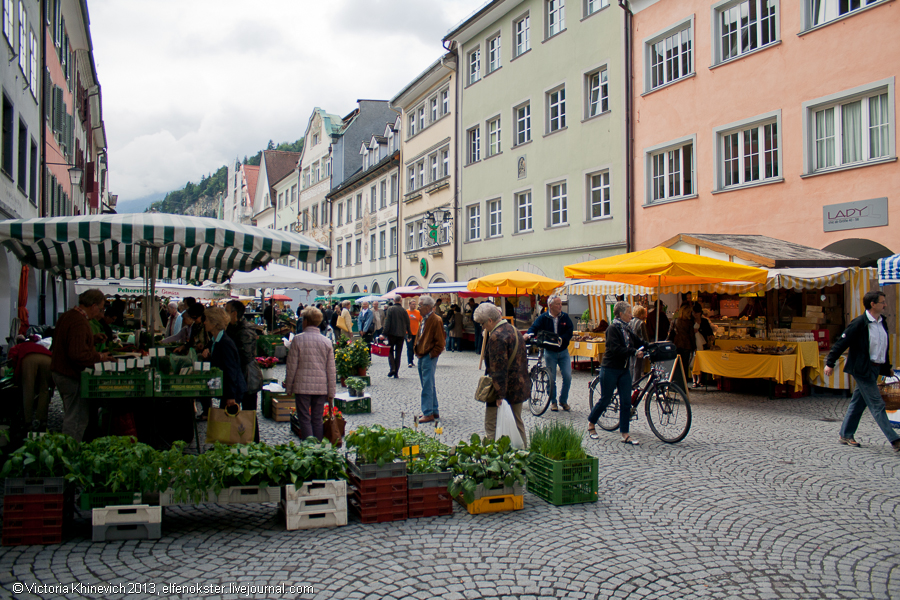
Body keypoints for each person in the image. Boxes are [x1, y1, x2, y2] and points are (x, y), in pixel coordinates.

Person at [824, 290, 897, 451]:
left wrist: (887, 368)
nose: (885, 305)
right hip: (862, 368)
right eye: (882, 302)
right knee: (877, 404)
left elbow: (883, 347)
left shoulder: (882, 322)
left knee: (858, 403)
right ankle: (895, 440)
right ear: (873, 304)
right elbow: (841, 343)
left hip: (875, 368)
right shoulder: (859, 323)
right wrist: (830, 363)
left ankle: (846, 434)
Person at [51, 289, 111, 441]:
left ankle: (69, 449)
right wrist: (100, 356)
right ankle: (70, 453)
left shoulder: (68, 315)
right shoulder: (79, 321)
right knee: (76, 418)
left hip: (60, 372)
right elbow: (77, 354)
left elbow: (72, 341)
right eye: (101, 308)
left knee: (72, 414)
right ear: (93, 306)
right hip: (70, 374)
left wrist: (92, 338)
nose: (100, 312)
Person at [587, 301, 645, 445]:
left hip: (624, 369)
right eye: (629, 313)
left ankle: (625, 433)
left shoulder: (628, 328)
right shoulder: (613, 329)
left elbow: (638, 342)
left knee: (626, 402)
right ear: (621, 314)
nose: (631, 316)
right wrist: (634, 352)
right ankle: (591, 423)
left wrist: (652, 347)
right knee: (606, 399)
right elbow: (615, 349)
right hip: (610, 368)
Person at [474, 302, 530, 445]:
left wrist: (500, 396)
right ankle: (523, 454)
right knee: (517, 423)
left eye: (483, 323)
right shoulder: (515, 330)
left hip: (502, 389)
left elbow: (498, 369)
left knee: (491, 425)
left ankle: (490, 459)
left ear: (490, 321)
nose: (482, 327)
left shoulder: (496, 337)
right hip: (519, 386)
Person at [284, 306, 336, 441]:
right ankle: (318, 449)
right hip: (320, 388)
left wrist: (289, 387)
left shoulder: (298, 339)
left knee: (304, 418)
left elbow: (291, 366)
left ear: (306, 321)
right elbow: (331, 370)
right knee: (317, 419)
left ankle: (308, 446)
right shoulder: (326, 342)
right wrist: (331, 394)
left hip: (302, 387)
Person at [525, 294, 574, 412]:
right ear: (550, 306)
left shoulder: (565, 317)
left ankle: (563, 400)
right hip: (550, 352)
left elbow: (570, 330)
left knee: (567, 376)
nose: (560, 306)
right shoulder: (543, 318)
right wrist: (528, 334)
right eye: (558, 304)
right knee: (551, 378)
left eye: (561, 304)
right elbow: (534, 328)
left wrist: (562, 338)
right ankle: (553, 401)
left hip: (563, 351)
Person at [225, 300, 260, 442]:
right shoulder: (232, 328)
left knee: (248, 413)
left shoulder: (244, 331)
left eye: (226, 310)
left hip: (247, 377)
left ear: (234, 314)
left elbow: (244, 356)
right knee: (239, 411)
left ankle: (254, 443)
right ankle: (238, 440)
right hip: (241, 376)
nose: (224, 313)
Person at [201, 307, 247, 414]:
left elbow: (231, 370)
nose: (204, 322)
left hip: (232, 392)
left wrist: (231, 396)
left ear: (214, 323)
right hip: (227, 390)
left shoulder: (225, 343)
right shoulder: (215, 341)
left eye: (207, 320)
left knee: (228, 422)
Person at [8, 335, 53, 431]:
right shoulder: (38, 345)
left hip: (29, 358)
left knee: (28, 390)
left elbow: (12, 360)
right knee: (44, 389)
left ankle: (28, 422)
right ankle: (42, 420)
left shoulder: (17, 347)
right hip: (48, 359)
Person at [414, 295, 445, 423]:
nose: (418, 308)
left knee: (427, 384)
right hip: (423, 354)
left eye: (420, 306)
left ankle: (428, 412)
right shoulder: (425, 319)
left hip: (428, 355)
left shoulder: (435, 320)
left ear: (427, 307)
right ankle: (433, 410)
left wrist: (432, 354)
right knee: (428, 383)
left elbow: (441, 342)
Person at [382, 299, 410, 378]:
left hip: (391, 334)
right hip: (401, 334)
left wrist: (384, 333)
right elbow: (408, 322)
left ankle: (393, 368)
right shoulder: (404, 310)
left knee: (389, 351)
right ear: (400, 301)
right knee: (398, 353)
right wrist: (409, 334)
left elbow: (387, 323)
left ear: (394, 300)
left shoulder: (390, 309)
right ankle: (396, 372)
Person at [667, 302, 695, 378]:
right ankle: (684, 383)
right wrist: (694, 347)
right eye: (689, 312)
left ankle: (676, 381)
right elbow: (692, 335)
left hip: (677, 344)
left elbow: (670, 333)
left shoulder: (675, 321)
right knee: (685, 365)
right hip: (687, 345)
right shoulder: (689, 323)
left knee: (677, 364)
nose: (690, 314)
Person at [691, 303, 715, 388]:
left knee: (701, 362)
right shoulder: (690, 321)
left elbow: (709, 333)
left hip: (703, 345)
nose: (695, 314)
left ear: (700, 313)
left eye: (696, 312)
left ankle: (700, 380)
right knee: (693, 362)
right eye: (694, 312)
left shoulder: (704, 321)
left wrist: (701, 332)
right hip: (693, 344)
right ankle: (694, 380)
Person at [629, 305, 650, 386]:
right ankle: (635, 384)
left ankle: (630, 383)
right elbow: (645, 338)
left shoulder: (630, 322)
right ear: (641, 314)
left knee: (631, 365)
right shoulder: (641, 323)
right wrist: (648, 346)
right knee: (637, 366)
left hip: (631, 347)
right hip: (639, 348)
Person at [406, 298, 422, 368]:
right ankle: (409, 361)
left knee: (414, 347)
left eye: (415, 304)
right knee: (409, 347)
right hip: (408, 333)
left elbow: (421, 321)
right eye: (413, 304)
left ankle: (412, 360)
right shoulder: (406, 312)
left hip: (416, 333)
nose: (414, 305)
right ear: (409, 304)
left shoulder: (418, 312)